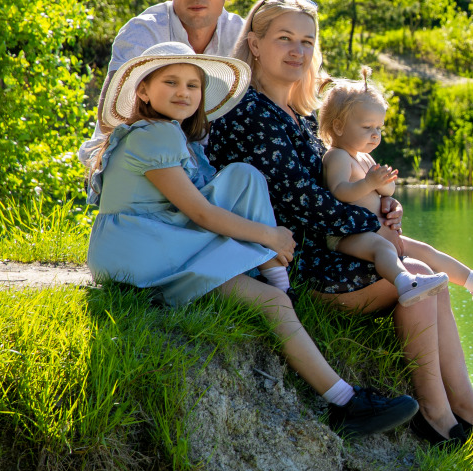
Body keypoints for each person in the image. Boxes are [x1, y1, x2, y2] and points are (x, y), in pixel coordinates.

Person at [204, 0, 473, 454]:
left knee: (424, 278)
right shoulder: (251, 112)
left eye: (307, 41)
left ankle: (467, 415)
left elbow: (332, 188)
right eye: (284, 39)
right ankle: (441, 420)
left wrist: (384, 208)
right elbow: (302, 202)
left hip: (323, 242)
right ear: (254, 44)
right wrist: (371, 223)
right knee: (420, 278)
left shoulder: (296, 114)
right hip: (286, 256)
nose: (298, 50)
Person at [84, 41, 419, 438]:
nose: (183, 92)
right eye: (170, 82)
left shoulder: (171, 135)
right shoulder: (153, 137)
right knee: (271, 304)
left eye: (193, 86)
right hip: (140, 252)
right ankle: (345, 401)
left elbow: (210, 201)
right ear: (142, 91)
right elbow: (202, 214)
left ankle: (278, 279)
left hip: (160, 237)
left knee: (245, 175)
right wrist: (271, 234)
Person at [318, 68, 473, 306]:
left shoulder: (364, 158)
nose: (375, 135)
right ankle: (405, 282)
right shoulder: (337, 156)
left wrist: (387, 194)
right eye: (367, 127)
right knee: (382, 248)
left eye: (379, 128)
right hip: (347, 237)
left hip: (377, 232)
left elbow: (382, 193)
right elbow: (338, 191)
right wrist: (370, 183)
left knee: (426, 251)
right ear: (338, 127)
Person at [77, 0, 247, 167]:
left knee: (247, 175)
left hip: (206, 162)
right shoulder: (143, 32)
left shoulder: (242, 36)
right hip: (137, 158)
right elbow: (112, 119)